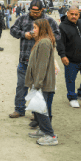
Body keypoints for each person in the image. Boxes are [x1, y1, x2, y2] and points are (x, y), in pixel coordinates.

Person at [8, 0, 57, 118]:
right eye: (32, 11)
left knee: (38, 88)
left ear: (42, 10)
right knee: (21, 86)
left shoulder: (49, 20)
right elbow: (13, 30)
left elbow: (57, 35)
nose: (34, 14)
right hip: (24, 60)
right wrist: (24, 34)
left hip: (40, 63)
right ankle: (19, 109)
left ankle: (36, 114)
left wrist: (42, 36)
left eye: (37, 12)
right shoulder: (22, 18)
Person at [24, 18, 59, 146]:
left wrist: (38, 83)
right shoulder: (41, 41)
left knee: (41, 109)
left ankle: (51, 135)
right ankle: (43, 130)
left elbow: (42, 65)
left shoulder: (44, 42)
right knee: (37, 107)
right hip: (39, 81)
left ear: (42, 29)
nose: (33, 30)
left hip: (42, 83)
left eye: (35, 28)